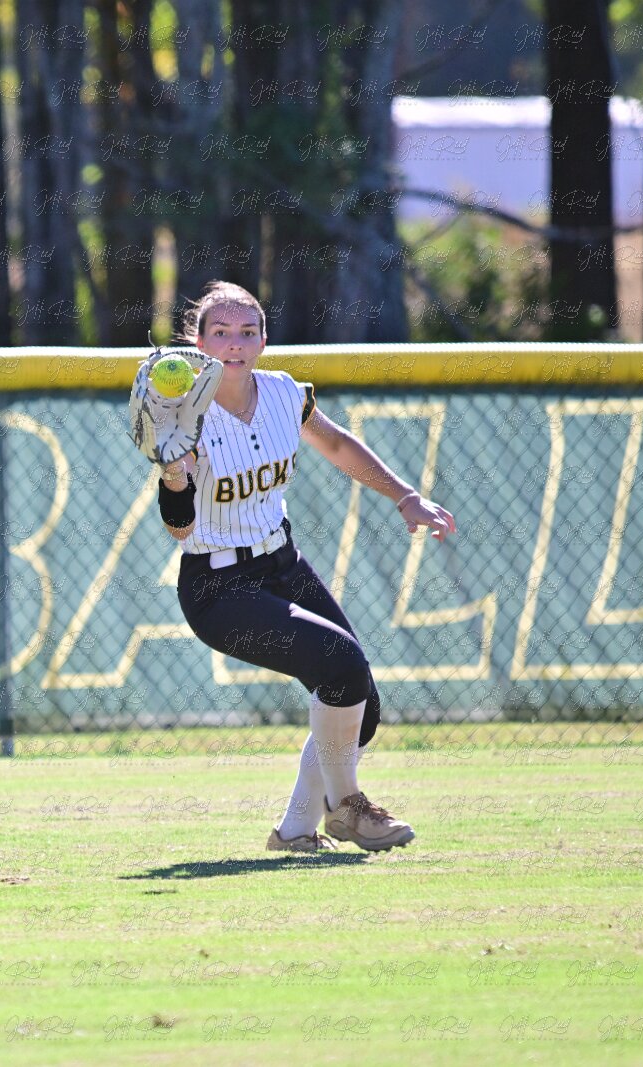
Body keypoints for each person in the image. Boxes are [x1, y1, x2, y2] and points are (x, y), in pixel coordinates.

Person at [154, 281, 456, 852]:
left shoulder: (284, 393)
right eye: (221, 332)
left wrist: (404, 496)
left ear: (264, 341)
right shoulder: (184, 416)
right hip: (218, 588)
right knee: (340, 665)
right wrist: (173, 477)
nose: (235, 343)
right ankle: (348, 809)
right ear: (199, 343)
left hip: (281, 563)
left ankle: (295, 831)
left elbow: (338, 446)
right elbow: (180, 528)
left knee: (360, 702)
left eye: (248, 332)